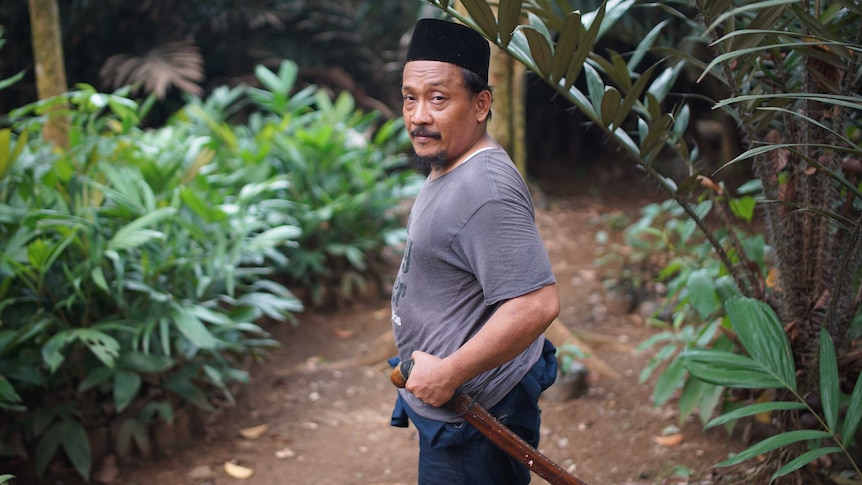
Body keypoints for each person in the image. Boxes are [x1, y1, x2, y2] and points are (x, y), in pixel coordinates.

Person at [389, 18, 560, 484]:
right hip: (451, 406)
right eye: (410, 97)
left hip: (477, 416)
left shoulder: (485, 190)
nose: (418, 115)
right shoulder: (450, 160)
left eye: (438, 98)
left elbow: (537, 303)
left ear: (481, 103)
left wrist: (450, 371)